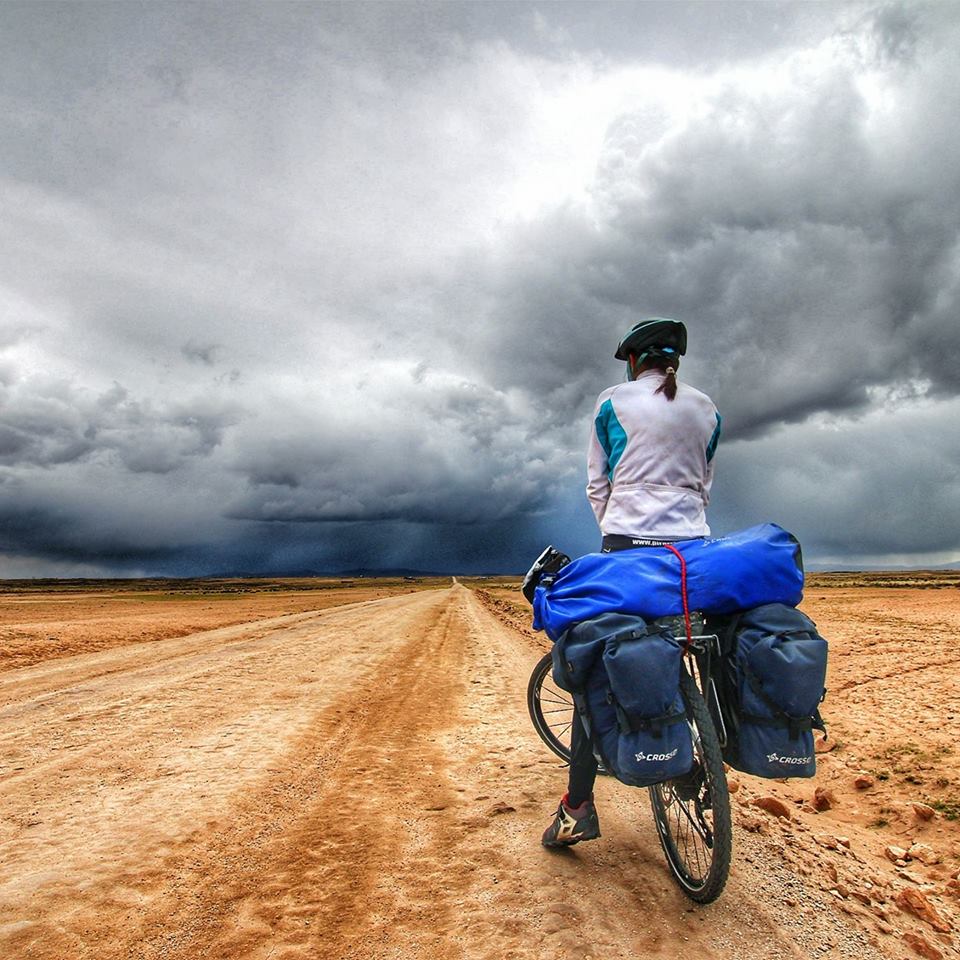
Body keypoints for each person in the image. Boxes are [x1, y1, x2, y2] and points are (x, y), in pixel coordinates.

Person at [542, 317, 722, 847]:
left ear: (634, 360)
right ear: (675, 361)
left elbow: (597, 483)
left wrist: (618, 536)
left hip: (627, 547)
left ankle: (577, 808)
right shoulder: (707, 408)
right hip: (693, 551)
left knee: (593, 667)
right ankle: (705, 750)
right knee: (695, 641)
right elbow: (704, 483)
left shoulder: (612, 401)